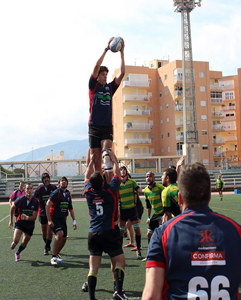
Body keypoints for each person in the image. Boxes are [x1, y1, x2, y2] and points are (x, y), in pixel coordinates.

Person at [142, 163, 241, 300]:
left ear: (180, 197)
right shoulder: (240, 233)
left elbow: (151, 296)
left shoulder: (162, 234)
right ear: (209, 195)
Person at [83, 150, 127, 300]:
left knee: (93, 268)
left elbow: (86, 176)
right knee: (119, 262)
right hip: (108, 231)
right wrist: (114, 161)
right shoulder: (110, 190)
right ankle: (119, 292)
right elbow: (117, 176)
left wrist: (90, 163)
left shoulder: (88, 192)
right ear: (103, 182)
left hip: (93, 233)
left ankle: (92, 298)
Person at [88, 37, 125, 174]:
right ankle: (99, 184)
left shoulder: (110, 87)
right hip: (94, 126)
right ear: (97, 76)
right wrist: (106, 49)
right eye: (102, 74)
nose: (105, 76)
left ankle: (109, 185)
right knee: (96, 160)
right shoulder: (93, 86)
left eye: (106, 74)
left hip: (106, 127)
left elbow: (122, 74)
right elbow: (96, 67)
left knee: (107, 153)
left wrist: (122, 52)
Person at [46, 176, 77, 265]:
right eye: (62, 181)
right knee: (59, 234)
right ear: (59, 183)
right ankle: (53, 257)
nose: (63, 182)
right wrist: (49, 220)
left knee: (64, 239)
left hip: (63, 219)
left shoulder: (68, 194)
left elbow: (70, 208)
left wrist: (74, 220)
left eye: (65, 181)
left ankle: (57, 253)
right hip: (55, 218)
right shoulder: (56, 193)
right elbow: (47, 205)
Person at [8, 182, 39, 262]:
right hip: (20, 222)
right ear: (25, 190)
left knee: (25, 242)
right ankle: (14, 243)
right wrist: (10, 220)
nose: (29, 190)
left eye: (31, 188)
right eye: (27, 188)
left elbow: (34, 217)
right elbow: (12, 208)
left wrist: (26, 217)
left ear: (33, 190)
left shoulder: (36, 202)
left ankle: (17, 253)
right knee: (16, 240)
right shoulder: (20, 200)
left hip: (30, 224)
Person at [119, 166, 143, 259]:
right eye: (121, 169)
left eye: (124, 169)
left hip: (132, 210)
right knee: (121, 231)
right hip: (123, 210)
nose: (122, 171)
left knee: (137, 229)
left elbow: (139, 190)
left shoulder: (132, 182)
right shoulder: (118, 184)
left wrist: (145, 190)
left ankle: (138, 250)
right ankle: (119, 252)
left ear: (126, 171)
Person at [34, 172, 57, 255]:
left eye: (47, 178)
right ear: (42, 180)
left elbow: (58, 196)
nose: (46, 179)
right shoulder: (39, 189)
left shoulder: (54, 187)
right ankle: (47, 244)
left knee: (50, 231)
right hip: (42, 213)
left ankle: (47, 247)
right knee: (44, 232)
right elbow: (33, 198)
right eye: (44, 178)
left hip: (51, 213)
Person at [143, 171, 164, 248]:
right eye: (147, 177)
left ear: (154, 178)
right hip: (156, 214)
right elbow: (148, 205)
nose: (148, 178)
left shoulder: (160, 188)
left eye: (150, 176)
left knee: (161, 235)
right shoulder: (146, 190)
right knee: (149, 234)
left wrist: (166, 214)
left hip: (163, 213)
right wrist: (148, 217)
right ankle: (150, 252)